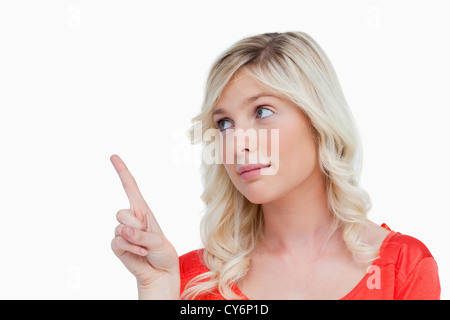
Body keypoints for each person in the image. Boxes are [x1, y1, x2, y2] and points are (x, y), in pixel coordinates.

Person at [110, 31, 440, 299]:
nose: (237, 143)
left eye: (262, 112)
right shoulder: (189, 280)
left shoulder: (403, 267)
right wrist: (158, 293)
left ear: (317, 120)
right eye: (224, 124)